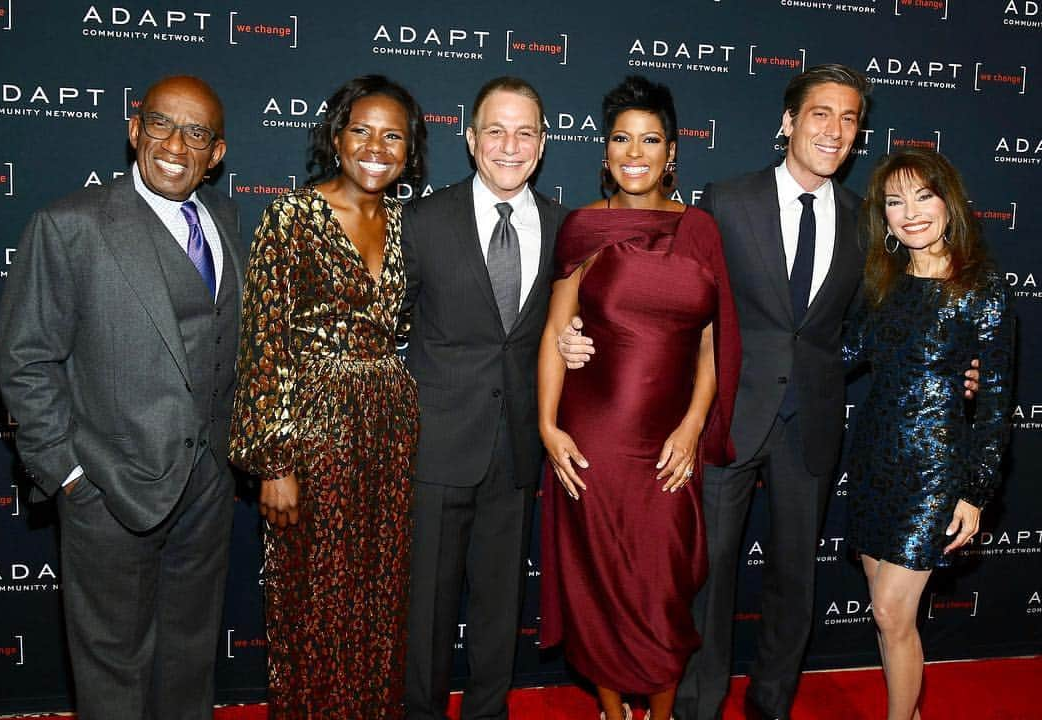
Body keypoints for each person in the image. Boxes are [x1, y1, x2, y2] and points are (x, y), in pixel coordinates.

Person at [558, 66, 981, 720]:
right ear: (788, 122)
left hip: (810, 423)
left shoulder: (866, 220)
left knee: (795, 581)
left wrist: (951, 365)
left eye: (848, 120)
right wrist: (577, 336)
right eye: (820, 114)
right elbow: (657, 293)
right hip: (726, 414)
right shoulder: (724, 202)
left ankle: (771, 705)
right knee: (706, 574)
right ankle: (696, 705)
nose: (834, 131)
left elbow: (889, 318)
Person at [0, 76, 241, 719]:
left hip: (207, 484)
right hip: (108, 486)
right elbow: (25, 360)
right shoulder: (70, 225)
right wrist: (70, 476)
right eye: (161, 125)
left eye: (197, 133)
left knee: (189, 658)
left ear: (216, 154)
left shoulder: (226, 217)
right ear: (134, 130)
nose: (175, 145)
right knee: (112, 669)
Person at [537, 76, 740, 720]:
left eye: (650, 140)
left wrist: (692, 426)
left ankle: (659, 709)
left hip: (667, 445)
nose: (635, 152)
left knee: (663, 587)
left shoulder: (701, 229)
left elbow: (711, 347)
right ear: (604, 152)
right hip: (592, 438)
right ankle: (611, 708)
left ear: (672, 152)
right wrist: (548, 425)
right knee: (599, 585)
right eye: (621, 138)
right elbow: (554, 331)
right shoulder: (583, 229)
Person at [228, 75, 426, 718]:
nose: (376, 145)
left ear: (411, 148)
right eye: (361, 129)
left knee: (379, 595)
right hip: (311, 433)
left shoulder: (403, 221)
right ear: (335, 137)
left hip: (388, 433)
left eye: (393, 134)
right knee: (312, 597)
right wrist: (274, 462)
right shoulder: (291, 217)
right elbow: (263, 342)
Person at [402, 76, 568, 720]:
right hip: (435, 447)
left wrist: (576, 343)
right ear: (470, 140)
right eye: (495, 130)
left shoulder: (564, 227)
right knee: (427, 611)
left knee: (501, 607)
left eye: (525, 131)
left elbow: (565, 327)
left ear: (544, 143)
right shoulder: (421, 219)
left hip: (518, 447)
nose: (510, 144)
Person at [843, 148, 1013, 720]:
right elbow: (842, 353)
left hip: (935, 470)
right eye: (895, 201)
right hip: (872, 458)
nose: (910, 212)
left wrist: (975, 491)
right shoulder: (881, 284)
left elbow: (993, 405)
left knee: (893, 613)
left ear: (949, 203)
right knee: (888, 615)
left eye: (923, 196)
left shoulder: (981, 290)